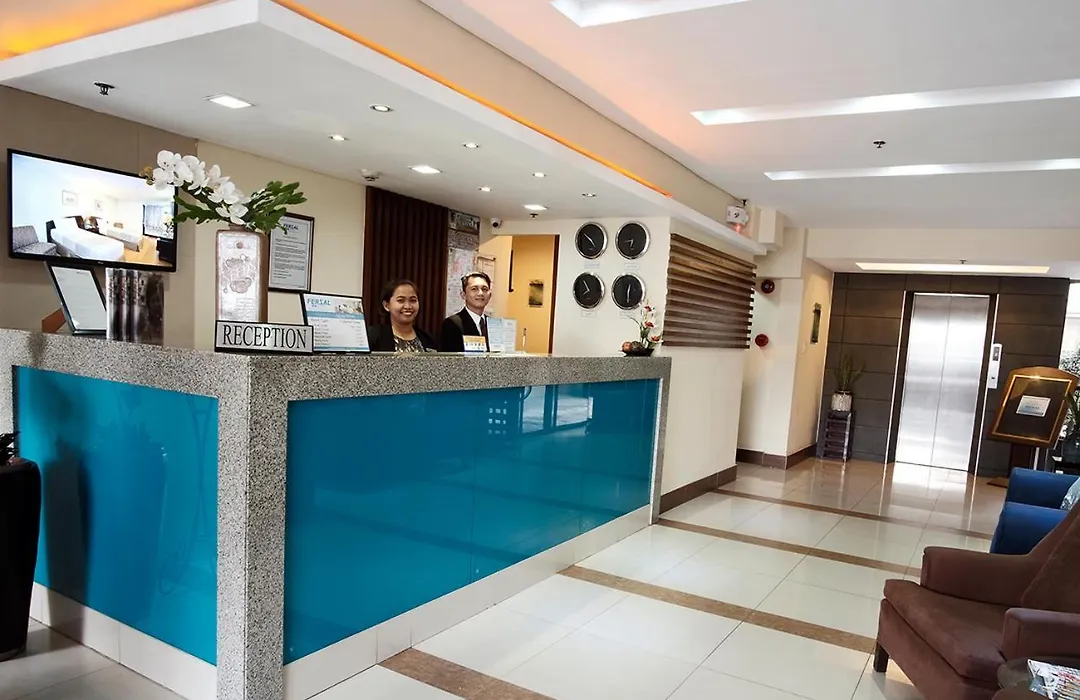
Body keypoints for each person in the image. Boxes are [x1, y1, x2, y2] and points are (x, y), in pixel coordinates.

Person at [368, 279, 437, 353]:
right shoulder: (372, 337)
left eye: (413, 300)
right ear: (386, 305)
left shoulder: (428, 339)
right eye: (401, 300)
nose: (408, 306)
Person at [440, 271, 492, 352]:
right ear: (463, 295)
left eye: (484, 289)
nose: (480, 293)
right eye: (474, 289)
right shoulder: (452, 324)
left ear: (490, 295)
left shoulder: (492, 324)